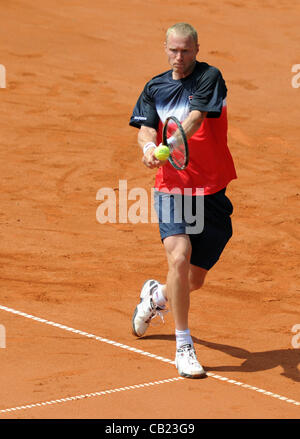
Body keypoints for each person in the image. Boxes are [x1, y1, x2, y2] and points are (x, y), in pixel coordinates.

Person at [129, 23, 237, 379]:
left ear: (196, 49)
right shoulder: (154, 87)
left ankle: (156, 297)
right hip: (174, 188)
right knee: (178, 256)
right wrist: (148, 147)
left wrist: (167, 146)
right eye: (174, 50)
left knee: (191, 281)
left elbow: (193, 120)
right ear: (165, 48)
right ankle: (183, 345)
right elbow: (145, 126)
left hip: (212, 190)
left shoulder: (210, 77)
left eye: (186, 51)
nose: (180, 57)